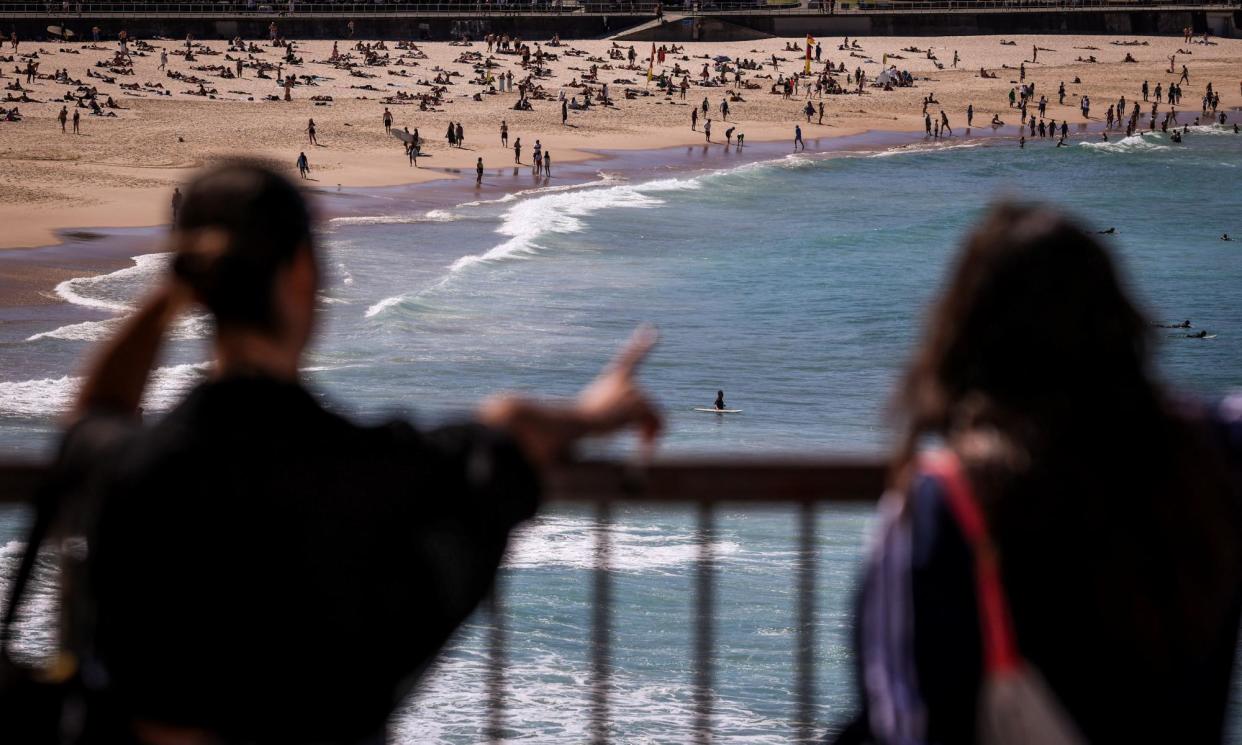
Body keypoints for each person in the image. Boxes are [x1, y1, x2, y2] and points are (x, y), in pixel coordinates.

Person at [47, 161, 660, 745]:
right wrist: (594, 412)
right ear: (302, 275)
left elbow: (95, 412)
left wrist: (170, 294)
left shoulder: (134, 469)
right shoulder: (381, 470)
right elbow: (509, 430)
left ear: (197, 283)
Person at [835, 202, 1242, 745]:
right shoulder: (1213, 457)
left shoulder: (942, 502)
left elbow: (901, 719)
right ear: (1122, 321)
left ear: (963, 336)